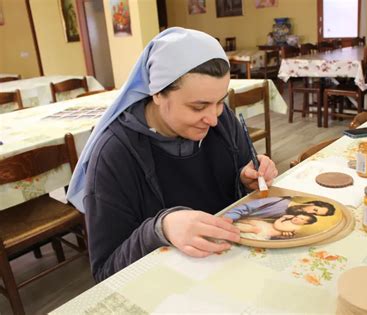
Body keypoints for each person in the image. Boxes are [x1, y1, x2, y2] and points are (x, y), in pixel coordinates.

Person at [66, 27, 278, 282]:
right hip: (168, 284)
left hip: (231, 266)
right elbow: (106, 271)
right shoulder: (114, 155)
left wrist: (245, 177)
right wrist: (160, 229)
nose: (213, 118)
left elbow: (233, 186)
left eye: (220, 101)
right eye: (198, 106)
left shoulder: (223, 121)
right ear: (157, 93)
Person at [223, 196, 336, 221]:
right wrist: (229, 218)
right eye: (315, 210)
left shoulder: (292, 218)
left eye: (316, 214)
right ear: (311, 203)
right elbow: (244, 208)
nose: (311, 213)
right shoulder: (280, 200)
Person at [236, 213, 317, 240]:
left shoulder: (296, 227)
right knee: (251, 221)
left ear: (305, 223)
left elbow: (278, 226)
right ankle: (236, 220)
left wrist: (282, 218)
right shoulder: (291, 221)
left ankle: (235, 227)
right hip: (266, 225)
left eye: (301, 219)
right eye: (297, 216)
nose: (297, 218)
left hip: (265, 231)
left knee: (253, 229)